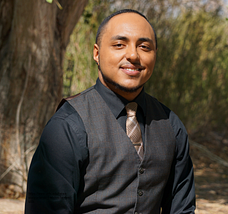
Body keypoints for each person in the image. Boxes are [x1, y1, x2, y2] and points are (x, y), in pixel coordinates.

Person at [25, 9, 196, 214]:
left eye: (144, 46)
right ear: (97, 53)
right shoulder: (68, 126)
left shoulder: (170, 124)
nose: (133, 55)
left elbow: (181, 209)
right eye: (119, 45)